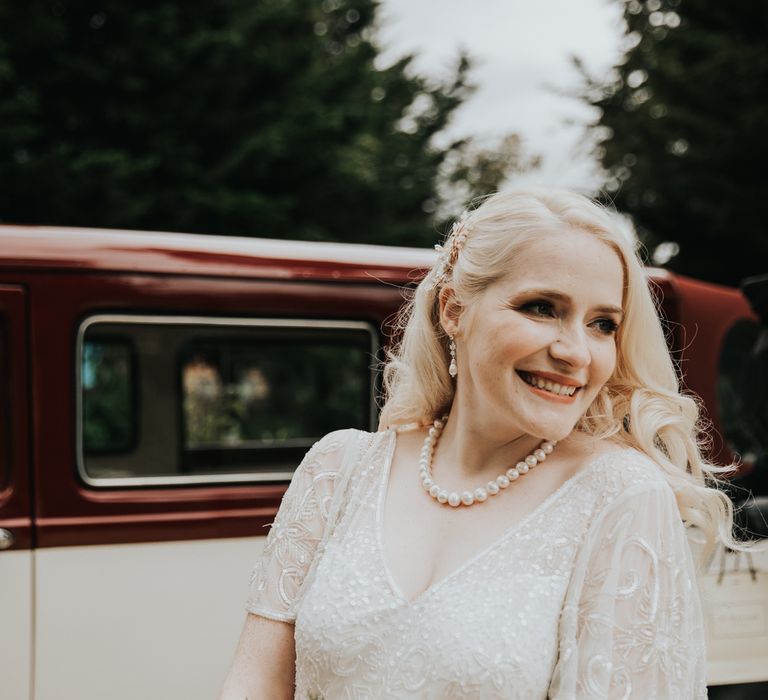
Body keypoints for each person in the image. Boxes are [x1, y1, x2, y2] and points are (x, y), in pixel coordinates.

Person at [219, 188, 736, 699]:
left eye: (603, 324)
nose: (576, 352)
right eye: (542, 307)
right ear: (453, 310)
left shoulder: (621, 496)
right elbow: (254, 686)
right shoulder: (339, 469)